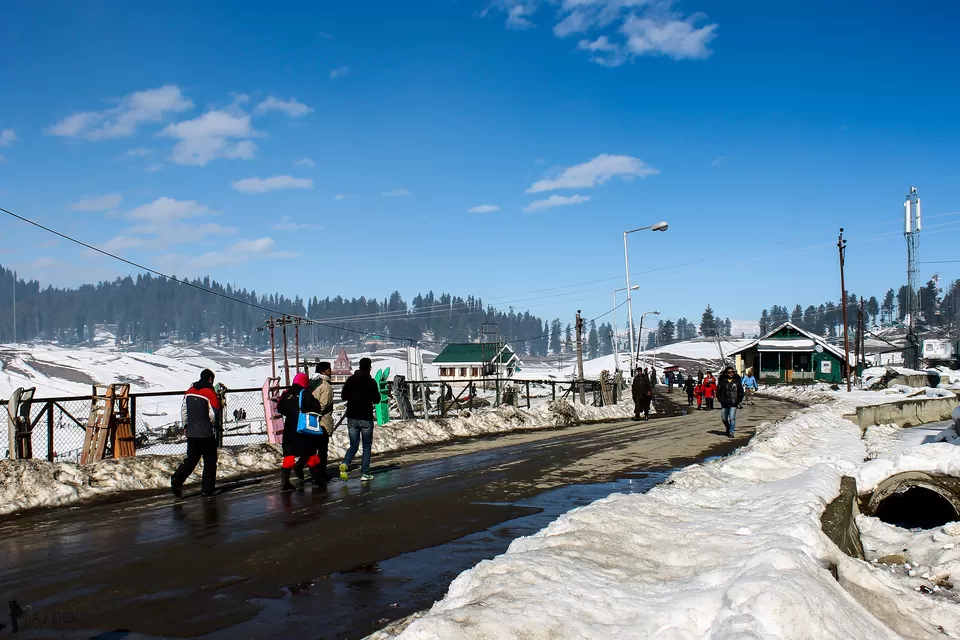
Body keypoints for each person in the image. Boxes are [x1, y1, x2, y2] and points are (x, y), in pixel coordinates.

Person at [171, 369, 221, 497]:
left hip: (192, 432)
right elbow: (214, 413)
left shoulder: (189, 392)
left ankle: (177, 478)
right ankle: (207, 489)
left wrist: (186, 426)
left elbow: (183, 411)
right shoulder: (210, 393)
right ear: (210, 379)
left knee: (191, 460)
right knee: (210, 461)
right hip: (206, 433)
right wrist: (210, 423)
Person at [278, 372, 327, 490]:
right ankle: (317, 477)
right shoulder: (305, 394)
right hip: (303, 428)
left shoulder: (286, 393)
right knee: (309, 453)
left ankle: (285, 482)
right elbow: (316, 408)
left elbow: (280, 409)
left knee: (289, 455)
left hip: (290, 428)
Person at [339, 357, 381, 482]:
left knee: (354, 444)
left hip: (352, 416)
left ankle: (346, 463)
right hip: (366, 417)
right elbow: (377, 399)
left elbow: (343, 396)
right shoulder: (371, 382)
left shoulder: (350, 380)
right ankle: (365, 473)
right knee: (366, 446)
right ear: (369, 368)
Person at [312, 361, 336, 478]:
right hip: (322, 421)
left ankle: (313, 471)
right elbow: (324, 404)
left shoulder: (312, 383)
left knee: (312, 448)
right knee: (322, 449)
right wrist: (316, 413)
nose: (331, 372)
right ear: (323, 372)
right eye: (329, 370)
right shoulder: (326, 386)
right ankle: (321, 473)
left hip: (310, 421)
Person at [717, 366, 745, 438]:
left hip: (733, 403)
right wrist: (720, 399)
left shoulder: (737, 382)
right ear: (726, 373)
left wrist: (738, 400)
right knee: (724, 418)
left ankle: (731, 432)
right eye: (729, 372)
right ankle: (728, 427)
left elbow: (741, 392)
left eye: (732, 372)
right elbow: (718, 392)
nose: (731, 373)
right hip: (724, 403)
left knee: (732, 418)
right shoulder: (722, 382)